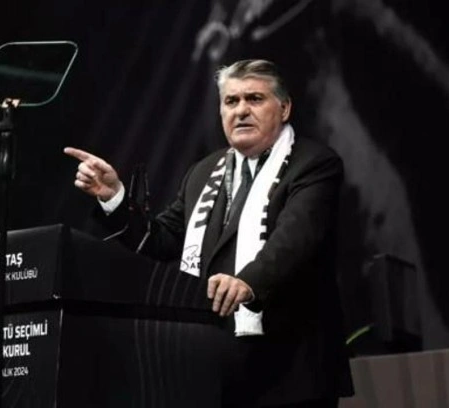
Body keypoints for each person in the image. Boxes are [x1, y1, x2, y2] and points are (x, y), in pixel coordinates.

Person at [64, 59, 353, 407]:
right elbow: (160, 240)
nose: (241, 110)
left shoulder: (314, 163)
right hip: (214, 367)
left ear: (285, 107)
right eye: (231, 101)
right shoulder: (203, 172)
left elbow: (295, 240)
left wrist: (248, 282)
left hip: (290, 369)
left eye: (255, 99)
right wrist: (114, 197)